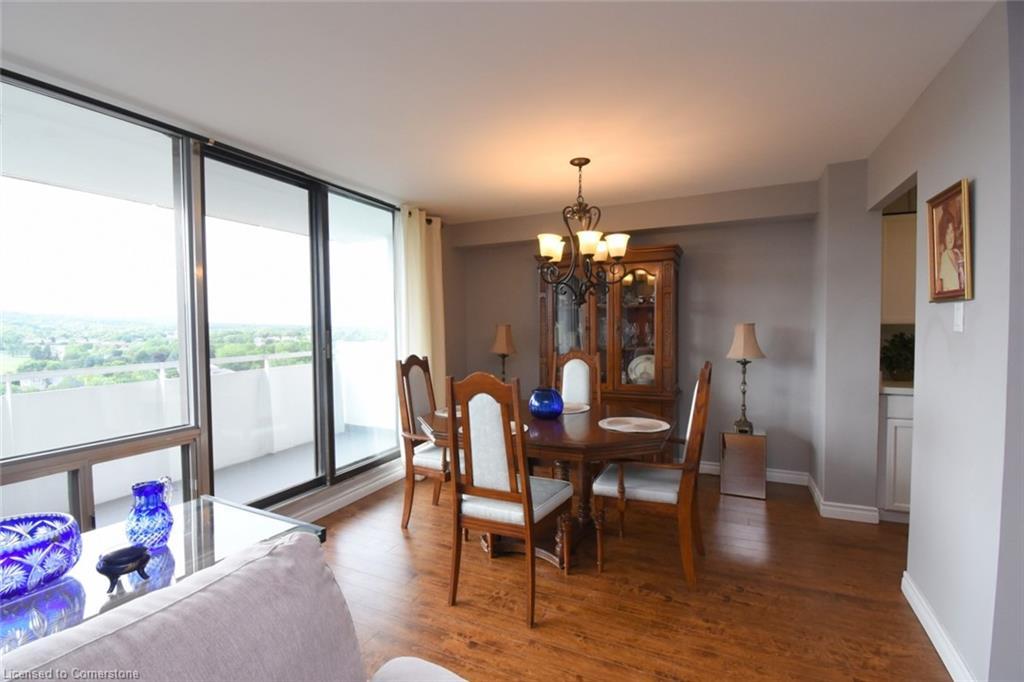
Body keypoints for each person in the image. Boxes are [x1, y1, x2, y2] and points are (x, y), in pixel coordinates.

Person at [937, 216, 964, 292]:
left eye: (951, 232)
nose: (950, 237)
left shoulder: (956, 253)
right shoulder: (944, 257)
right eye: (947, 233)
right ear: (943, 236)